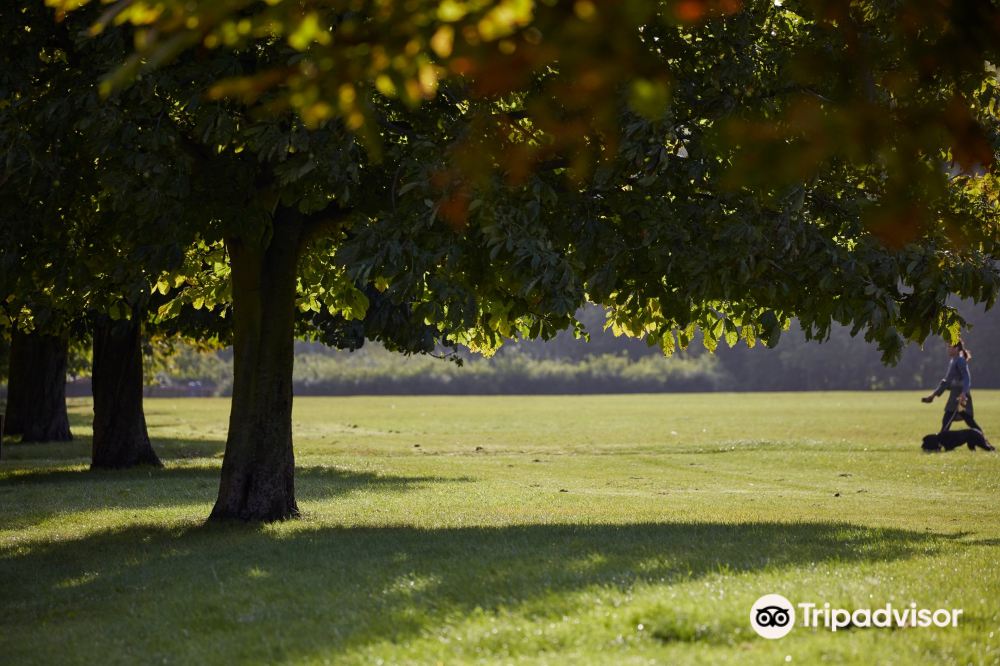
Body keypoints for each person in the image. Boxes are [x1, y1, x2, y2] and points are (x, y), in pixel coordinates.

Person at [921, 340, 991, 446]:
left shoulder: (960, 361)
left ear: (957, 348)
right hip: (954, 397)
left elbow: (967, 378)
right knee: (949, 420)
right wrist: (933, 395)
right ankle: (940, 444)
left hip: (961, 398)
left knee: (966, 421)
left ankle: (984, 442)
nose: (948, 349)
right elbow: (946, 381)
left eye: (950, 347)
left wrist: (964, 394)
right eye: (947, 347)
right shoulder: (953, 360)